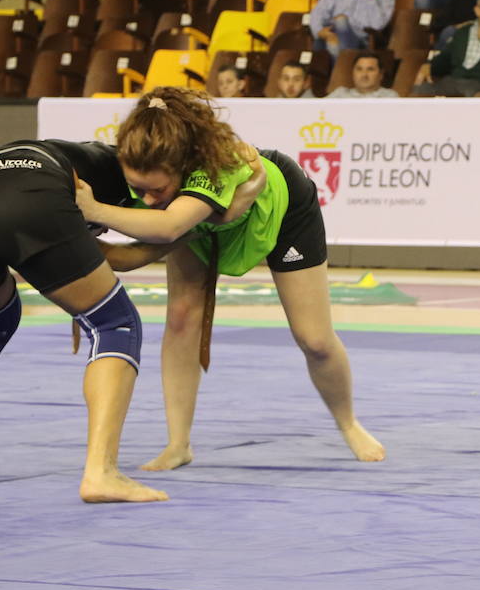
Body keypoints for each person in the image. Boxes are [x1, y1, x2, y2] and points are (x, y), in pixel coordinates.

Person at [72, 87, 386, 470]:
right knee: (182, 317)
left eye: (157, 190)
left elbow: (169, 225)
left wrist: (95, 210)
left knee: (315, 339)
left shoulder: (218, 162)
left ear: (185, 165)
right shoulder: (142, 170)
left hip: (281, 213)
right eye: (138, 190)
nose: (147, 199)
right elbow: (131, 254)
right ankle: (178, 445)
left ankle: (349, 423)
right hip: (200, 228)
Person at [0, 137, 213, 504]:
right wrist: (193, 228)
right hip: (19, 196)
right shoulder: (104, 177)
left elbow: (108, 257)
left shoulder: (85, 164)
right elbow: (130, 251)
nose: (152, 200)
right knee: (115, 323)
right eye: (148, 190)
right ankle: (101, 473)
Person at [325, 51, 399, 97]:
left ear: (381, 74)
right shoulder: (340, 94)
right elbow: (316, 108)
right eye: (359, 69)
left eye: (370, 69)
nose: (364, 75)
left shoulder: (389, 97)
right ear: (353, 73)